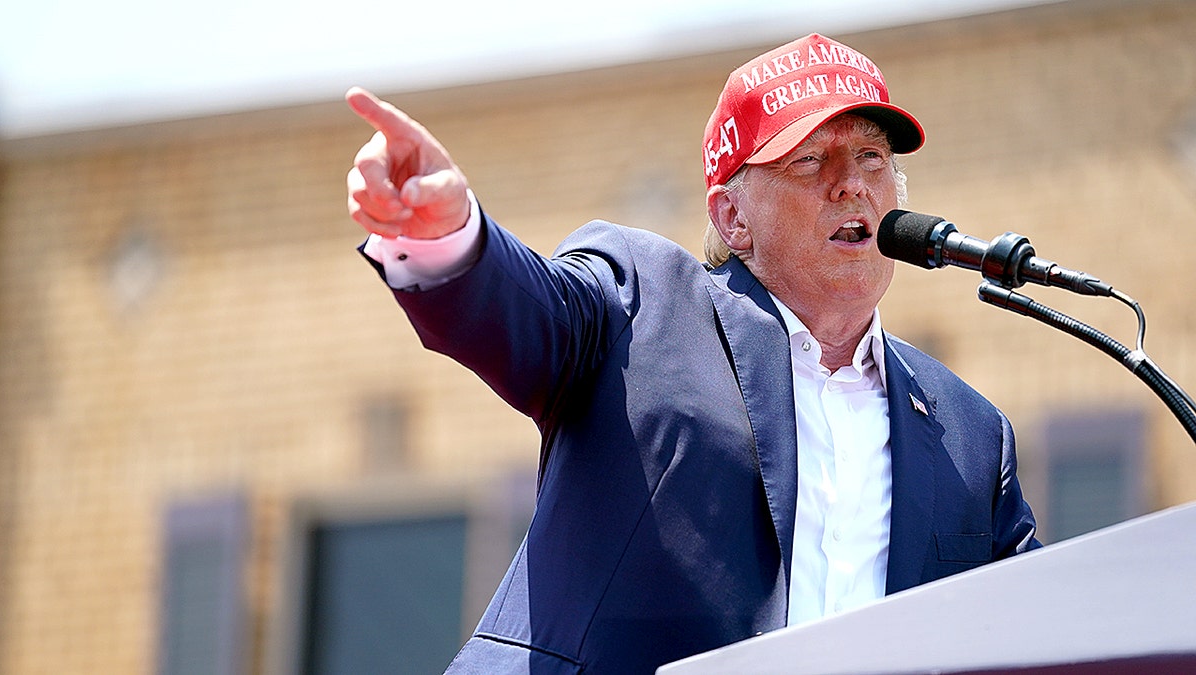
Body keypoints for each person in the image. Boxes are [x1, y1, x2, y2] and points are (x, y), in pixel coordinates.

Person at [346, 32, 1040, 675]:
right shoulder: (641, 304)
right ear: (732, 216)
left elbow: (1048, 625)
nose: (852, 182)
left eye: (872, 158)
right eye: (810, 159)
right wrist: (448, 237)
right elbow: (527, 312)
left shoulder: (971, 434)